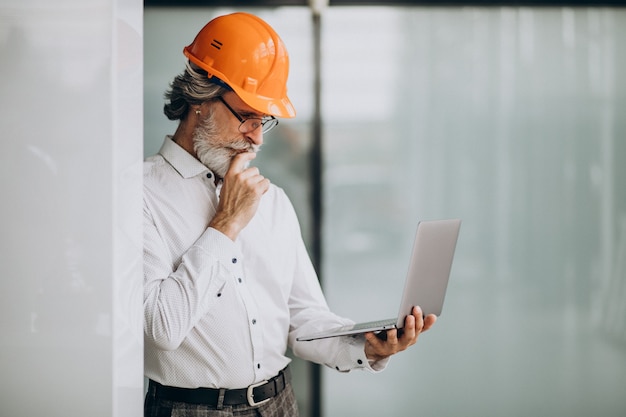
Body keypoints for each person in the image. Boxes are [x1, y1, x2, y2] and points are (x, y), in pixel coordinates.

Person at [143, 12, 437, 417]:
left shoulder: (273, 200)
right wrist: (226, 224)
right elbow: (161, 327)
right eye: (247, 115)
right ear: (201, 100)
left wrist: (365, 347)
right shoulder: (138, 194)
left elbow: (304, 318)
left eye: (264, 120)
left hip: (281, 404)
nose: (258, 136)